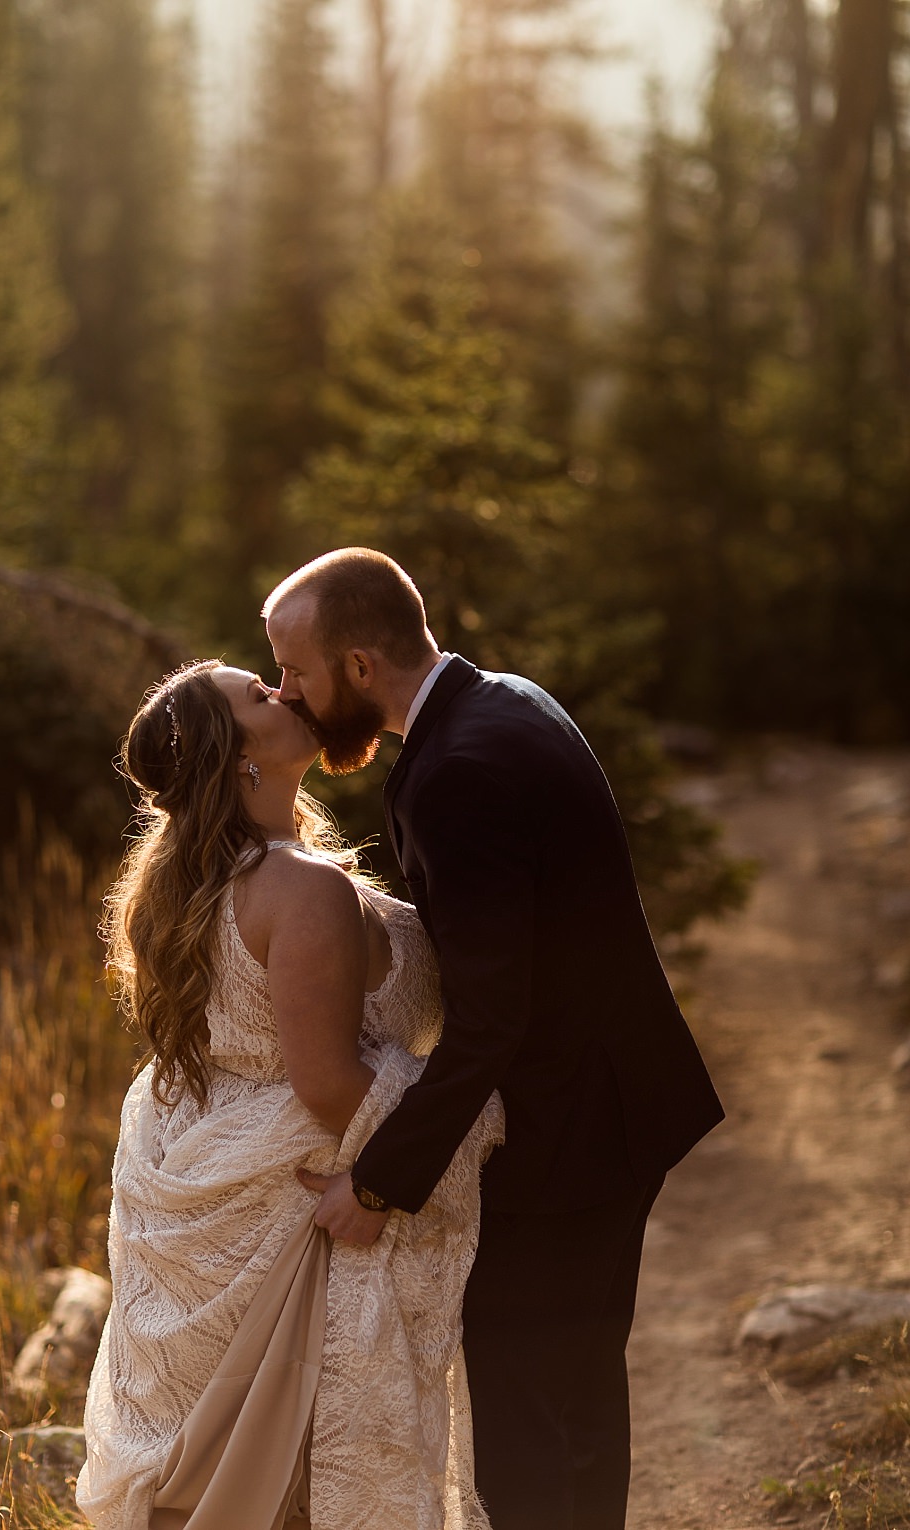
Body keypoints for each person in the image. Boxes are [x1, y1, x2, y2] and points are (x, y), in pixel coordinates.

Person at [263, 547, 724, 1530]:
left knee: (522, 1417)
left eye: (294, 672)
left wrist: (379, 1181)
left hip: (561, 1132)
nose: (284, 693)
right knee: (578, 1389)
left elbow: (489, 1020)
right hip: (615, 1099)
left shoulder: (458, 772)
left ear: (354, 666)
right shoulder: (500, 698)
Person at [78, 658, 503, 1530]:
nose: (285, 692)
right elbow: (325, 1081)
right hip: (298, 1197)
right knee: (296, 1482)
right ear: (238, 758)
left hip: (212, 1169)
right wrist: (475, 1137)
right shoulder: (301, 889)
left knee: (244, 1481)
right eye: (257, 696)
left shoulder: (194, 877)